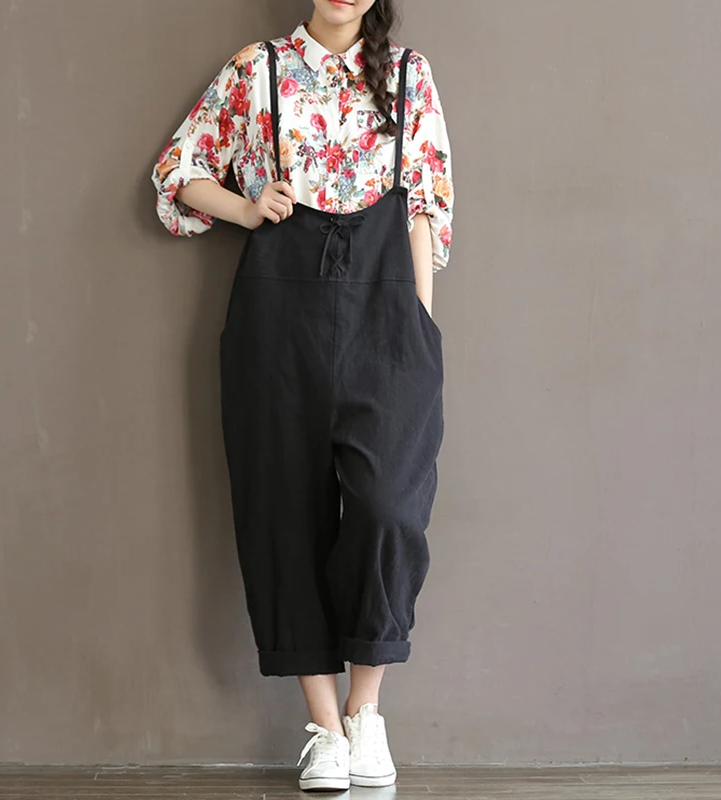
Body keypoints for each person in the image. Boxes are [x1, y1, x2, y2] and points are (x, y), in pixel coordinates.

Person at [151, 0, 454, 791]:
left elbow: (424, 210)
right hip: (277, 327)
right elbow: (177, 172)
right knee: (283, 515)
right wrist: (248, 207)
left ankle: (365, 713)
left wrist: (419, 328)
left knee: (389, 509)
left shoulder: (408, 76)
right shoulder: (258, 70)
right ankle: (323, 729)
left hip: (390, 324)